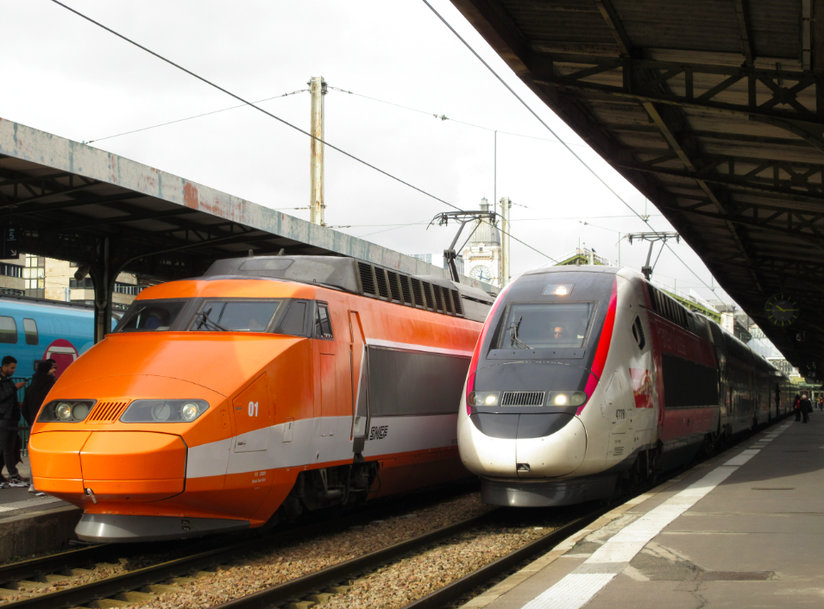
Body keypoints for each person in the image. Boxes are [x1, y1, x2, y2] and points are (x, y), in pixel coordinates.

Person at [21, 358, 56, 495]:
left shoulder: (31, 387)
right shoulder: (51, 386)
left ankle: (33, 483)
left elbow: (24, 408)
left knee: (34, 455)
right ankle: (43, 485)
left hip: (34, 425)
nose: (54, 370)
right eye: (52, 368)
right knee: (47, 455)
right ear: (47, 370)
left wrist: (31, 421)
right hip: (48, 425)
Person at [0, 355, 27, 489]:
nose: (14, 370)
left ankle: (4, 477)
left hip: (11, 418)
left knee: (5, 449)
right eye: (12, 368)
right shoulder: (4, 381)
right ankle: (14, 477)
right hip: (4, 419)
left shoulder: (7, 380)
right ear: (4, 366)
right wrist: (15, 388)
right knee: (7, 449)